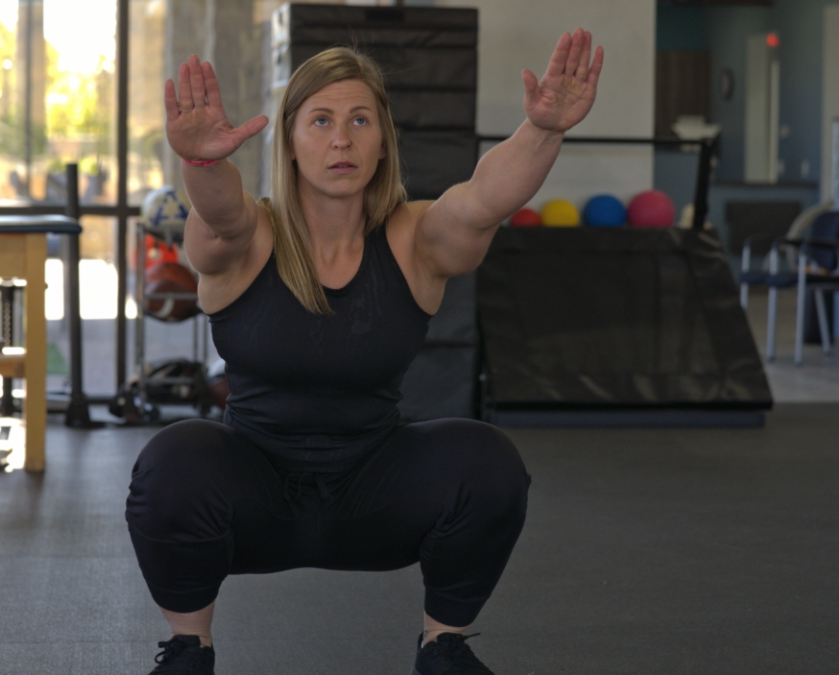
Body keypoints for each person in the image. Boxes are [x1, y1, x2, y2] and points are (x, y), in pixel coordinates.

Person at [126, 29, 604, 675]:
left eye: (359, 121)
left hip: (374, 492)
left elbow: (485, 200)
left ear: (383, 144)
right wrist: (203, 163)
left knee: (485, 459)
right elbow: (221, 220)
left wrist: (543, 130)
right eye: (320, 121)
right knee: (173, 460)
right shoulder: (251, 235)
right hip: (252, 494)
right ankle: (189, 650)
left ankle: (443, 648)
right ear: (291, 142)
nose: (341, 139)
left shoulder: (415, 237)